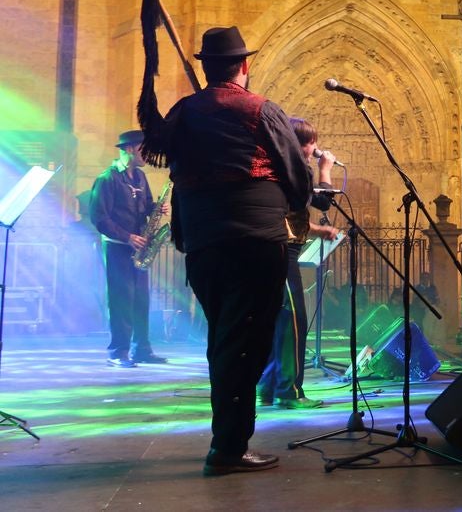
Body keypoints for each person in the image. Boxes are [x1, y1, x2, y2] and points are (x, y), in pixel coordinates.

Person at [138, 26, 312, 476]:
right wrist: (296, 210)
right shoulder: (261, 110)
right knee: (245, 344)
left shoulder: (184, 112)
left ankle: (228, 441)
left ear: (206, 66)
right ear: (245, 66)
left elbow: (170, 162)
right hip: (255, 241)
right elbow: (296, 176)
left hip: (203, 243)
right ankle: (229, 448)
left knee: (225, 338)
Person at [258, 118, 338, 410]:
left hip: (276, 248)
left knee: (277, 322)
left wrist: (318, 231)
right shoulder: (293, 167)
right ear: (300, 144)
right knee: (293, 320)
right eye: (311, 142)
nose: (315, 148)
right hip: (282, 252)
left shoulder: (278, 167)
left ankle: (267, 386)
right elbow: (324, 203)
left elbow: (291, 215)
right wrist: (325, 169)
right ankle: (289, 392)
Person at [89, 129, 168, 368]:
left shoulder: (140, 178)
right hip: (117, 248)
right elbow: (99, 218)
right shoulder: (107, 178)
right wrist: (128, 237)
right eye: (145, 149)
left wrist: (155, 209)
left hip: (140, 247)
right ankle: (117, 351)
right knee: (121, 299)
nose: (149, 154)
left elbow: (143, 207)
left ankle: (141, 349)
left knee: (141, 299)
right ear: (130, 149)